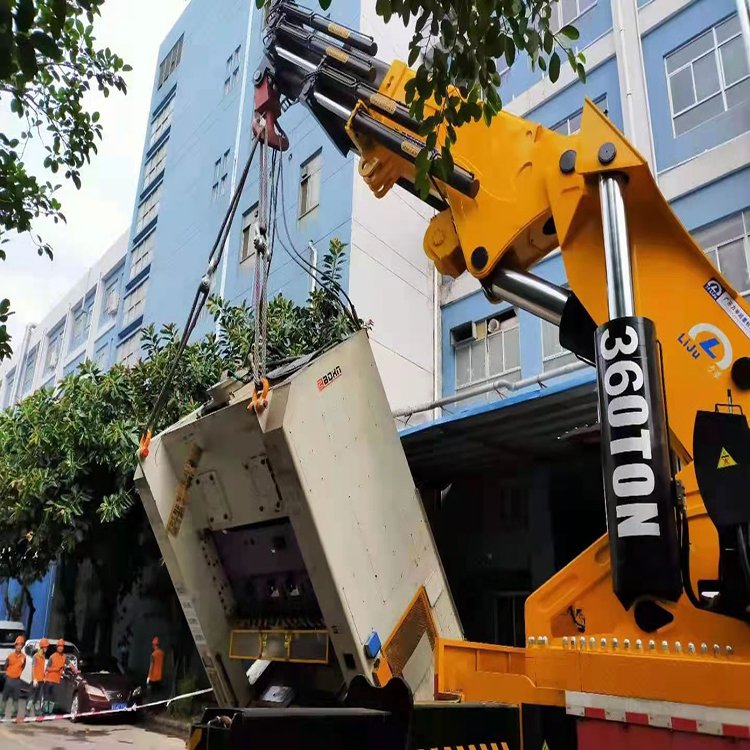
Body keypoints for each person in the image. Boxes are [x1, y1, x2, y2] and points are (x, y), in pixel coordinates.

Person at [1, 635, 26, 721]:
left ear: (22, 646)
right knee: (5, 697)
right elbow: (5, 665)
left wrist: (17, 673)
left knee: (16, 698)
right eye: (17, 644)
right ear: (15, 645)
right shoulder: (10, 656)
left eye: (20, 645)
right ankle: (1, 713)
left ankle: (14, 715)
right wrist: (7, 673)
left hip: (17, 681)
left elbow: (23, 666)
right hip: (9, 680)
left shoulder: (23, 657)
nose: (19, 646)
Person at [43, 639, 67, 715]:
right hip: (49, 679)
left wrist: (76, 670)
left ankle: (50, 712)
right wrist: (56, 669)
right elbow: (47, 668)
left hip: (56, 681)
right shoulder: (52, 657)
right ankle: (45, 711)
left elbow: (70, 665)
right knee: (47, 696)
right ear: (57, 647)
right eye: (59, 646)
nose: (61, 648)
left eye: (62, 646)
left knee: (53, 697)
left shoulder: (64, 657)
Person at [26, 638, 48, 716]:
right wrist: (34, 678)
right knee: (31, 697)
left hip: (41, 680)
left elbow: (42, 668)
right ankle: (27, 711)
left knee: (38, 697)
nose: (46, 648)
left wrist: (44, 676)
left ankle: (37, 712)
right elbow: (33, 668)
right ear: (42, 647)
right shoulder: (36, 656)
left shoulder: (43, 656)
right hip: (35, 680)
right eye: (45, 647)